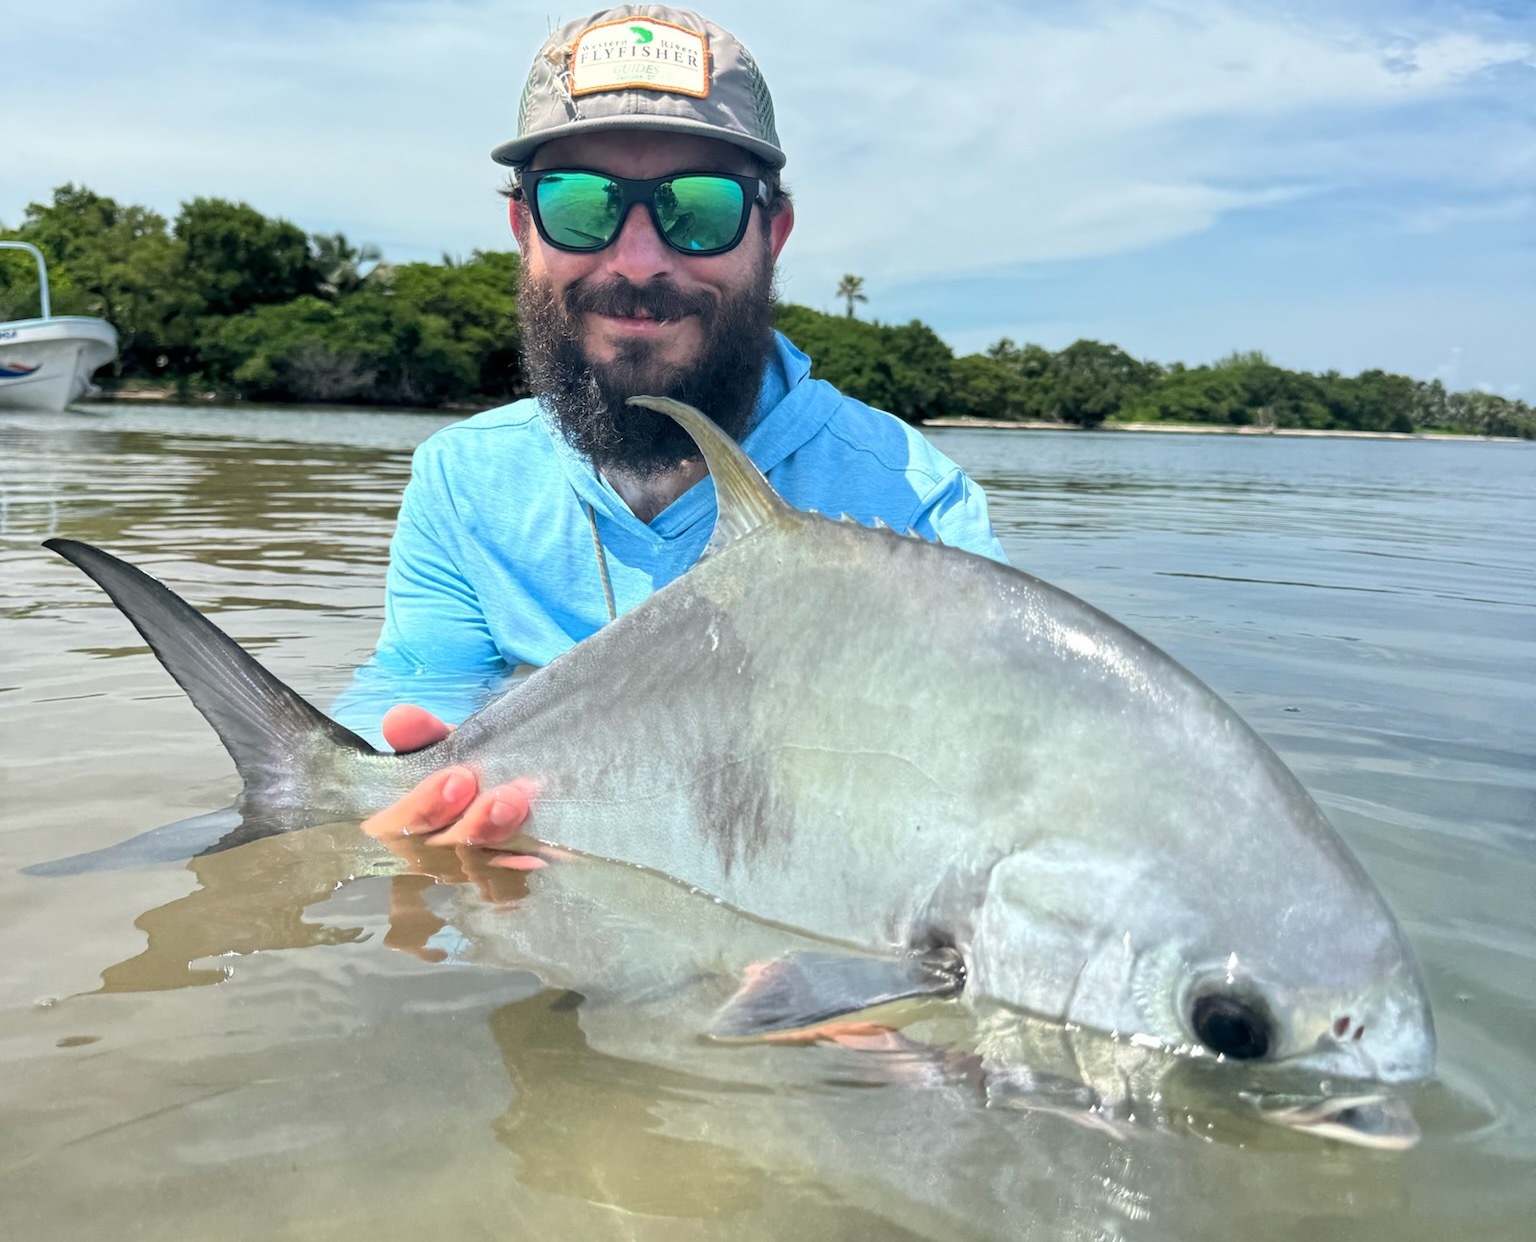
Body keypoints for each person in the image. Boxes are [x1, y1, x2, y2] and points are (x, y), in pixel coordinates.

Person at [339, 4, 1005, 865]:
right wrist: (389, 781)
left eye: (699, 209)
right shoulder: (461, 479)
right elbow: (418, 682)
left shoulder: (919, 501)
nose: (640, 259)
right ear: (523, 231)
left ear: (773, 234)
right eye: (580, 206)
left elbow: (981, 782)